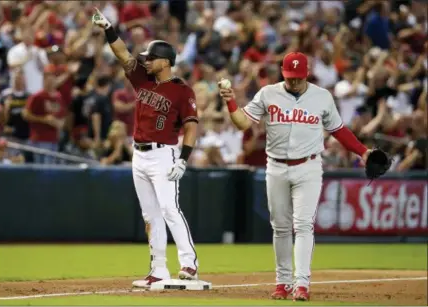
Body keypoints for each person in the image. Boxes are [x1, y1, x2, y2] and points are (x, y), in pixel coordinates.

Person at [218, 52, 371, 301]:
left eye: (298, 78)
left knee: (302, 225)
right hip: (276, 166)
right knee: (279, 227)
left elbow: (338, 130)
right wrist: (231, 102)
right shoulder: (268, 93)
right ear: (282, 72)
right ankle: (282, 282)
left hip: (308, 167)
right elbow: (242, 124)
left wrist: (363, 152)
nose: (294, 83)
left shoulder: (322, 96)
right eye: (290, 78)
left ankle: (302, 283)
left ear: (307, 73)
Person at [92, 8, 199, 287]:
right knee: (150, 214)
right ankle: (159, 268)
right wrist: (108, 28)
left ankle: (188, 263)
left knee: (169, 208)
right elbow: (123, 55)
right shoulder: (142, 79)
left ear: (166, 61)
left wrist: (184, 159)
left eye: (151, 58)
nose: (146, 62)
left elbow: (191, 126)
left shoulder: (182, 90)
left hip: (164, 153)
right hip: (138, 154)